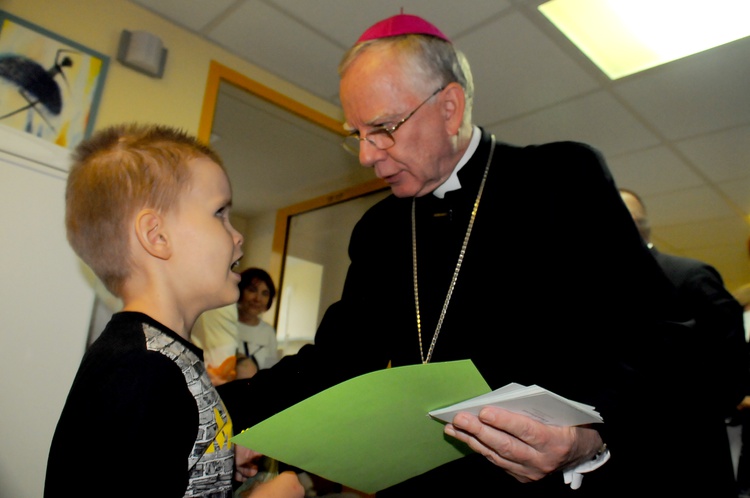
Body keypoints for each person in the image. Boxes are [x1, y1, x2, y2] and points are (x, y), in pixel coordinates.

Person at [218, 13, 712, 496]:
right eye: (357, 136)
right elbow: (333, 361)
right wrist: (222, 413)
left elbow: (662, 336)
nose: (368, 155)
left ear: (449, 107)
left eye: (383, 128)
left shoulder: (562, 179)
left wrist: (589, 437)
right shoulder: (379, 229)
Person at [44, 123, 304, 498]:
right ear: (157, 236)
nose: (238, 235)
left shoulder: (167, 358)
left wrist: (217, 460)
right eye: (219, 214)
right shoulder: (140, 370)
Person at [620, 188, 749, 497]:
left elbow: (733, 367)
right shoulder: (597, 292)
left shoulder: (689, 276)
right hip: (623, 460)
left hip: (690, 456)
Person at [236, 268, 281, 371]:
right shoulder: (225, 323)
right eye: (252, 290)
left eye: (265, 293)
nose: (257, 299)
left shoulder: (269, 332)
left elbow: (271, 370)